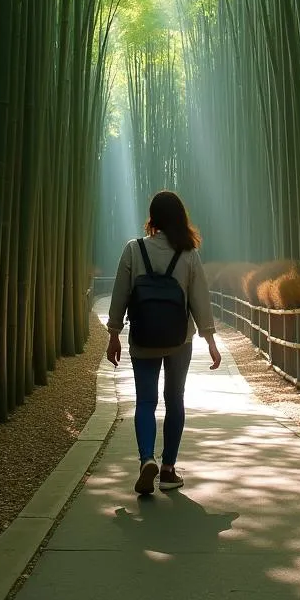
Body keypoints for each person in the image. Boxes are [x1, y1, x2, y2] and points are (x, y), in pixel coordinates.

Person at [107, 190, 222, 495]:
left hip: (143, 340)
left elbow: (119, 296)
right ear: (180, 218)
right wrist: (210, 340)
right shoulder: (188, 254)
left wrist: (113, 335)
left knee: (145, 401)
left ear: (152, 219)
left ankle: (147, 458)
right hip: (178, 341)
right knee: (175, 400)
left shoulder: (134, 250)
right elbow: (200, 300)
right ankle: (168, 470)